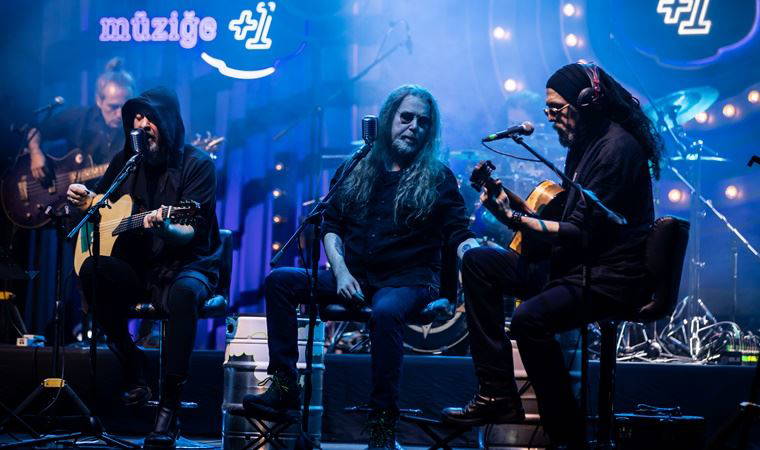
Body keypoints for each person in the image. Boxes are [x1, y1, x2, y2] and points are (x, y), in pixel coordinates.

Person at [242, 85, 479, 449]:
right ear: (387, 120)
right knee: (280, 281)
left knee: (385, 313)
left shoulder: (438, 177)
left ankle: (382, 425)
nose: (414, 127)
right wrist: (340, 271)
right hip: (354, 276)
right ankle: (285, 388)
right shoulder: (356, 167)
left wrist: (465, 263)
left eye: (423, 122)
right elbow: (331, 224)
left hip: (408, 280)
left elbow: (455, 233)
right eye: (406, 118)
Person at [442, 63, 662, 449]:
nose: (549, 117)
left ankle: (566, 437)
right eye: (547, 109)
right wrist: (506, 205)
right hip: (574, 264)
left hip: (611, 276)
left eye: (556, 108)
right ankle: (497, 393)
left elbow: (579, 232)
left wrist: (515, 219)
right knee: (479, 263)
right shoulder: (585, 145)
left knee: (529, 320)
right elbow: (562, 222)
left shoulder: (615, 149)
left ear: (588, 102)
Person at [66, 86, 222, 449]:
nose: (141, 123)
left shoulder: (197, 164)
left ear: (166, 121)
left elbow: (190, 230)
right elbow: (101, 206)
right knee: (92, 271)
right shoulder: (126, 162)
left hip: (189, 263)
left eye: (149, 116)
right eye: (135, 116)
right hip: (141, 266)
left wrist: (166, 227)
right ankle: (132, 363)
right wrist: (84, 201)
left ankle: (168, 407)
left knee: (184, 294)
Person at [28, 57, 134, 181]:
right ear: (99, 101)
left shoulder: (134, 130)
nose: (120, 114)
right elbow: (35, 131)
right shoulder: (79, 117)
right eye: (113, 107)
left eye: (125, 107)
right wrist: (35, 153)